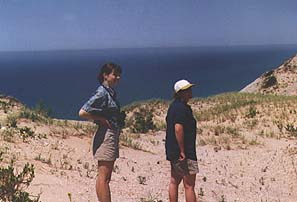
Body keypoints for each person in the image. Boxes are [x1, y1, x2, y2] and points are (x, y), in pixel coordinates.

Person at [78, 62, 125, 202]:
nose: (118, 78)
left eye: (119, 75)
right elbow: (82, 112)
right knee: (104, 177)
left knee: (103, 176)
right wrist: (101, 119)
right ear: (105, 75)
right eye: (115, 74)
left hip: (109, 135)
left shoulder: (109, 92)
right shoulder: (102, 92)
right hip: (106, 136)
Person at [165, 79, 199, 202]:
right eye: (186, 90)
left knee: (174, 181)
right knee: (189, 186)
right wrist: (182, 150)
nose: (190, 91)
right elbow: (178, 128)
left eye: (189, 88)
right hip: (185, 152)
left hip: (173, 151)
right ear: (179, 93)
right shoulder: (181, 108)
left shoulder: (174, 107)